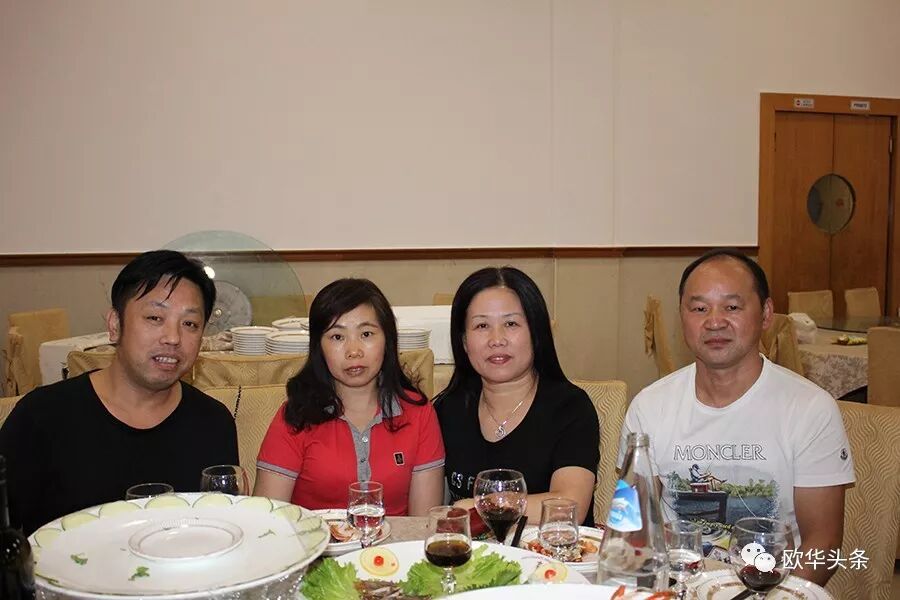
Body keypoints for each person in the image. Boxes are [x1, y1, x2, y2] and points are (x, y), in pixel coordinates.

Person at [620, 248, 854, 586]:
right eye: (699, 308)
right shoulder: (649, 406)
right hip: (677, 585)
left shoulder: (810, 409)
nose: (714, 321)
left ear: (766, 314)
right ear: (681, 316)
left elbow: (824, 543)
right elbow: (634, 526)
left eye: (732, 307)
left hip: (772, 587)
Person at [0, 250, 238, 535]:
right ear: (115, 325)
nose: (173, 338)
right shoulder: (41, 417)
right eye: (154, 317)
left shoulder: (213, 422)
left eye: (190, 324)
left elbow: (223, 529)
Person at [254, 278, 444, 516]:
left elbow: (424, 524)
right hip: (314, 540)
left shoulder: (419, 414)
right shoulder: (295, 416)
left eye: (366, 334)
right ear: (318, 347)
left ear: (387, 340)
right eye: (337, 337)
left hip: (396, 541)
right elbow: (268, 522)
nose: (354, 351)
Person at [434, 267, 599, 526]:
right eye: (482, 326)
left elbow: (569, 506)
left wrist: (482, 505)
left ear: (536, 332)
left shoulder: (570, 408)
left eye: (511, 324)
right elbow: (436, 511)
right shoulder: (448, 408)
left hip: (552, 550)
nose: (496, 339)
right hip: (469, 551)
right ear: (464, 342)